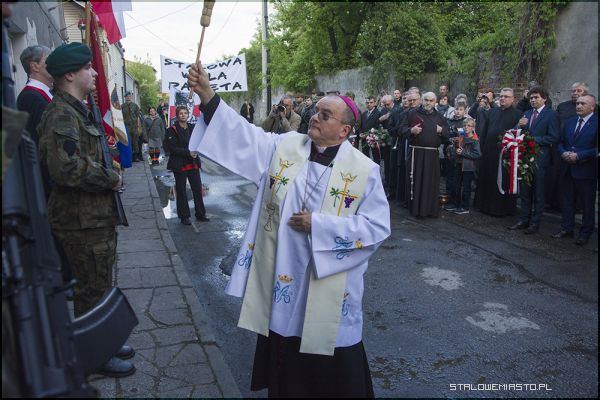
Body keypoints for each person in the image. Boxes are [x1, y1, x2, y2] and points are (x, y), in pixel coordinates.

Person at [187, 62, 391, 397]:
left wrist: (319, 225)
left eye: (325, 115)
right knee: (285, 348)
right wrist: (207, 94)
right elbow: (241, 135)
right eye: (316, 111)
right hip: (282, 270)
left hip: (326, 278)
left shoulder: (364, 171)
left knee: (329, 357)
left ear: (344, 130)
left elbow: (376, 228)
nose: (314, 117)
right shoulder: (284, 147)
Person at [36, 42, 135, 378]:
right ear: (69, 75)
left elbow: (81, 156)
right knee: (90, 290)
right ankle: (93, 357)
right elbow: (64, 168)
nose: (94, 73)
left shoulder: (76, 110)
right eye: (87, 68)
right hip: (80, 220)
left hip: (92, 218)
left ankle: (102, 341)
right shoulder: (61, 114)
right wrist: (110, 178)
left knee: (100, 284)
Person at [508, 86, 559, 234]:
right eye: (531, 98)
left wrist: (532, 140)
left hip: (540, 158)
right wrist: (519, 125)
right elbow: (516, 132)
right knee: (525, 191)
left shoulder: (551, 115)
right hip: (524, 157)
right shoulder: (527, 113)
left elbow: (554, 137)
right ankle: (524, 219)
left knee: (538, 192)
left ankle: (535, 223)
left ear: (544, 98)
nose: (533, 100)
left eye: (536, 97)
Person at [552, 94, 598, 246]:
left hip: (586, 170)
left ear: (592, 107)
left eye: (583, 103)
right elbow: (560, 142)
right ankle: (567, 228)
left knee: (586, 204)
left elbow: (596, 148)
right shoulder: (570, 122)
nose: (578, 106)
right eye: (578, 103)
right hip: (567, 168)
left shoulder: (597, 123)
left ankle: (585, 233)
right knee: (567, 201)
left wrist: (579, 156)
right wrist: (563, 152)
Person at [474, 88, 522, 217]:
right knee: (487, 178)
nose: (502, 98)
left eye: (506, 96)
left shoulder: (518, 114)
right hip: (488, 151)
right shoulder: (492, 112)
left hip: (505, 154)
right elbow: (484, 131)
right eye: (501, 96)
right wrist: (481, 148)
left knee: (501, 181)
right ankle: (483, 206)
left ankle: (500, 209)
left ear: (513, 99)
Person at [164, 105, 209, 225]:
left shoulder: (193, 128)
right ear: (177, 115)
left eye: (185, 113)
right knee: (181, 190)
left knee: (197, 189)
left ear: (188, 115)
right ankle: (184, 216)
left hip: (193, 163)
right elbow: (172, 148)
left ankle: (200, 214)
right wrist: (188, 152)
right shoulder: (171, 130)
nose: (183, 115)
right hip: (179, 164)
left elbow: (200, 140)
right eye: (181, 113)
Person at [445, 117, 481, 214]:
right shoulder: (461, 136)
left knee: (466, 187)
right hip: (458, 164)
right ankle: (455, 204)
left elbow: (477, 154)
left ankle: (465, 207)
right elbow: (457, 147)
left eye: (469, 125)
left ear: (473, 128)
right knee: (456, 185)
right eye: (464, 125)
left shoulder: (475, 140)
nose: (466, 127)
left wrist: (463, 152)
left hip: (468, 167)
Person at [122, 91, 142, 161]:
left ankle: (135, 157)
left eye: (129, 96)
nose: (128, 97)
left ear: (131, 97)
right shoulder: (122, 106)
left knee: (135, 142)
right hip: (126, 126)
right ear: (125, 97)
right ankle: (129, 157)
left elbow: (137, 116)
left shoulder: (135, 105)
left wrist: (138, 126)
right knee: (128, 142)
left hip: (134, 126)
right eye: (127, 96)